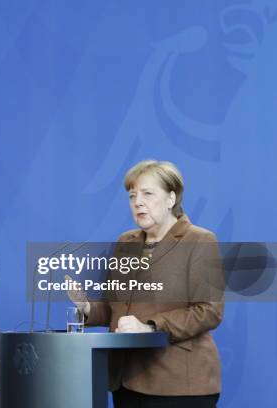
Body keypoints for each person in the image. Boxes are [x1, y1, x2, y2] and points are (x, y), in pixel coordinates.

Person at [68, 160, 224, 408]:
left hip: (179, 384)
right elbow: (116, 307)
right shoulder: (125, 243)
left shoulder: (199, 240)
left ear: (171, 198)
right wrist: (87, 308)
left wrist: (151, 327)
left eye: (147, 194)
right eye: (132, 196)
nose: (137, 202)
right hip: (126, 380)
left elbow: (208, 311)